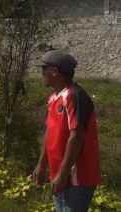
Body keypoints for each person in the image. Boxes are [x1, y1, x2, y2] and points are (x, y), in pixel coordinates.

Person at [33, 51, 101, 212]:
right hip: (61, 174)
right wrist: (42, 164)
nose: (42, 73)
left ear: (55, 71)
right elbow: (49, 133)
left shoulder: (74, 96)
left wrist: (63, 174)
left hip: (78, 176)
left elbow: (76, 136)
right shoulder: (54, 98)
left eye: (44, 68)